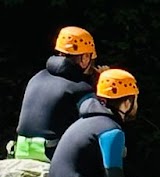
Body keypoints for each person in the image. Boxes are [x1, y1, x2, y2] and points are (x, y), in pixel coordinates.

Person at [44, 69, 160, 177]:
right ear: (126, 103)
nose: (136, 105)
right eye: (135, 100)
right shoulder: (111, 130)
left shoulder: (86, 120)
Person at [11, 27, 100, 161]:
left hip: (21, 149)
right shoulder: (81, 88)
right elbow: (99, 122)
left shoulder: (37, 77)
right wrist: (102, 87)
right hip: (50, 153)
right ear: (85, 58)